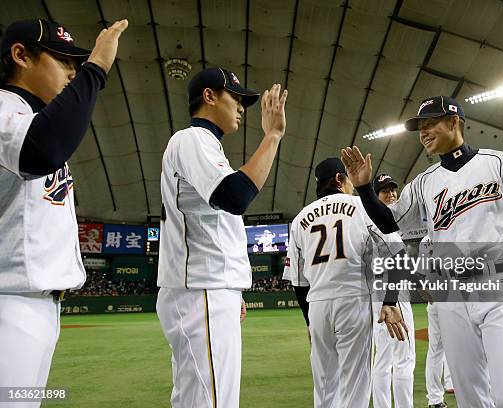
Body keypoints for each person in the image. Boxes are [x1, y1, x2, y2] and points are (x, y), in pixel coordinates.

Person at [341, 95, 503, 408]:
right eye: (420, 128)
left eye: (430, 124)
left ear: (454, 122)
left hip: (501, 286)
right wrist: (363, 187)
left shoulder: (501, 163)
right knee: (471, 398)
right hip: (451, 295)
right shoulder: (423, 183)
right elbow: (389, 222)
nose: (423, 133)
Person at [0, 18, 127, 407]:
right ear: (20, 55)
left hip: (34, 304)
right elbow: (41, 149)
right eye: (62, 59)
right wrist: (97, 69)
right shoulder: (4, 107)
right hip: (9, 301)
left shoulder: (29, 118)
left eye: (78, 62)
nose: (73, 69)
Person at [156, 68, 287, 407]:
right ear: (210, 97)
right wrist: (272, 135)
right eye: (236, 97)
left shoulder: (206, 146)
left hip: (208, 288)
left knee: (197, 397)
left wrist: (231, 288)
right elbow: (234, 196)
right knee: (211, 401)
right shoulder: (191, 139)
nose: (242, 106)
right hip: (202, 289)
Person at [284, 158, 408, 408]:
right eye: (349, 179)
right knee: (355, 387)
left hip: (317, 306)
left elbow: (298, 282)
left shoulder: (300, 219)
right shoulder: (362, 207)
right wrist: (390, 300)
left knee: (325, 388)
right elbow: (400, 255)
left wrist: (310, 321)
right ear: (340, 179)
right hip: (353, 300)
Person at [370, 174, 416, 408]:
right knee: (404, 359)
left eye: (393, 190)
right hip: (393, 296)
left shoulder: (367, 222)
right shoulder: (384, 225)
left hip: (375, 295)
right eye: (384, 191)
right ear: (376, 197)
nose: (391, 194)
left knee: (382, 360)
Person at [421, 236, 454, 408]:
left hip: (434, 298)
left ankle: (434, 399)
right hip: (451, 298)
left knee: (435, 351)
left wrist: (428, 295)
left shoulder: (425, 241)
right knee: (465, 346)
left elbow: (419, 277)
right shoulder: (450, 231)